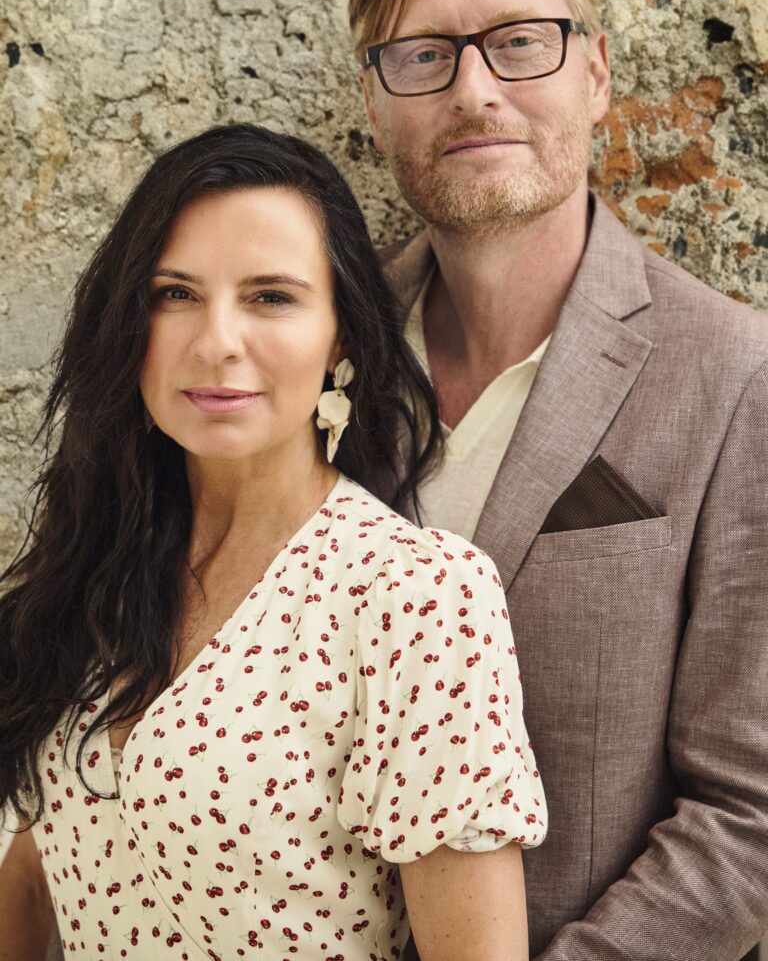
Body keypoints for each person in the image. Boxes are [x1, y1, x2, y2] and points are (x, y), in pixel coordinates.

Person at [0, 124, 546, 961]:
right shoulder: (90, 561)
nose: (217, 340)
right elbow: (39, 867)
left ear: (343, 337)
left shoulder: (417, 598)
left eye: (270, 296)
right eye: (175, 292)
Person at [348, 0, 768, 961]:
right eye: (424, 55)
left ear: (597, 72)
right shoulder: (313, 350)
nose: (474, 89)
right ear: (374, 101)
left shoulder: (735, 375)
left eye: (520, 41)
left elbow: (749, 817)